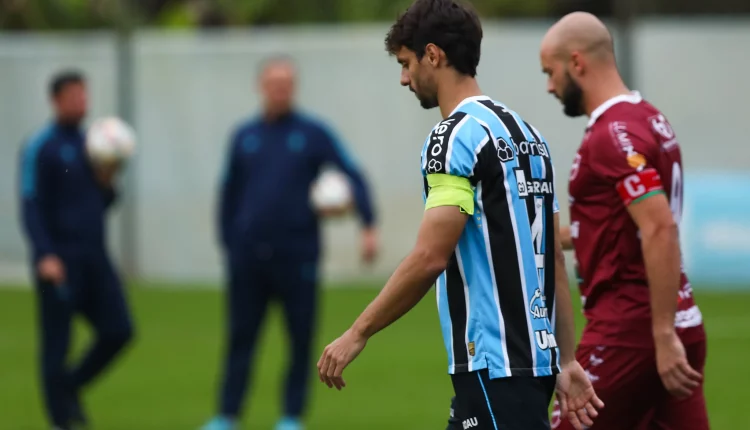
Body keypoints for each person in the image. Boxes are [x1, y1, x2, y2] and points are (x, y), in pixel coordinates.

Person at [316, 1, 603, 429]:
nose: (403, 78)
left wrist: (357, 332)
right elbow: (553, 259)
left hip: (492, 361)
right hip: (533, 364)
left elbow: (431, 256)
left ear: (433, 55)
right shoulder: (528, 135)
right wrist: (564, 357)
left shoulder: (453, 138)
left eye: (406, 63)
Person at [539, 12, 709, 430]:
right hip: (679, 322)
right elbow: (613, 232)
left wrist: (662, 334)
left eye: (551, 72)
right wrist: (524, 238)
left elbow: (659, 226)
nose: (549, 86)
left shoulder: (611, 135)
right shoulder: (647, 117)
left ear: (577, 63)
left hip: (630, 332)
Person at [201, 56, 379, 430]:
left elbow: (351, 173)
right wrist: (229, 244)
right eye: (273, 83)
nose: (280, 89)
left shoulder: (312, 134)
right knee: (240, 340)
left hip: (298, 257)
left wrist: (368, 225)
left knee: (300, 342)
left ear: (293, 88)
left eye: (286, 83)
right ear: (260, 86)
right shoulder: (244, 136)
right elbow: (229, 194)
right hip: (248, 259)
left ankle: (291, 417)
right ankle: (226, 416)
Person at [18, 70, 134, 430]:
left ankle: (68, 388)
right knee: (57, 345)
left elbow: (104, 202)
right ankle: (61, 420)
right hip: (59, 261)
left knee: (119, 330)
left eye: (84, 96)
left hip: (94, 258)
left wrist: (108, 180)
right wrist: (45, 254)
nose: (81, 102)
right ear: (56, 100)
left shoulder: (93, 144)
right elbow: (31, 203)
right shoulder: (41, 146)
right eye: (73, 96)